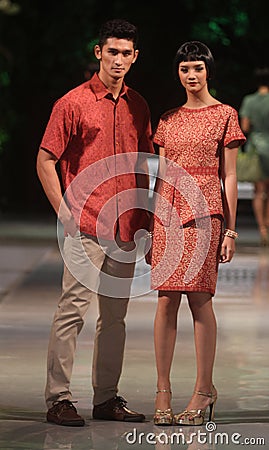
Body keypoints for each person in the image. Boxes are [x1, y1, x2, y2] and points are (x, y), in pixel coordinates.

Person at [36, 18, 154, 427]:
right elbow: (45, 160)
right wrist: (64, 212)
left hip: (126, 227)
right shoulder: (72, 103)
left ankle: (106, 398)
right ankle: (59, 398)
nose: (118, 60)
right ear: (98, 52)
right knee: (72, 311)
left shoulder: (139, 105)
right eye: (112, 51)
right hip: (85, 223)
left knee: (115, 317)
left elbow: (143, 166)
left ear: (134, 57)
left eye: (126, 53)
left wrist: (148, 222)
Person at [149, 41, 246, 426]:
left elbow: (231, 174)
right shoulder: (168, 119)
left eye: (198, 69)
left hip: (206, 213)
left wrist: (232, 230)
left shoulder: (225, 114)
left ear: (209, 71)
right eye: (185, 69)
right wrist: (152, 225)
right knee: (166, 300)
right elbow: (160, 174)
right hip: (167, 214)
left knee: (199, 300)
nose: (192, 75)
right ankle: (163, 391)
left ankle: (204, 389)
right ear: (177, 73)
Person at [239, 68, 269, 246]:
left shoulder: (249, 101)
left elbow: (245, 127)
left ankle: (262, 229)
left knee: (259, 191)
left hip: (257, 148)